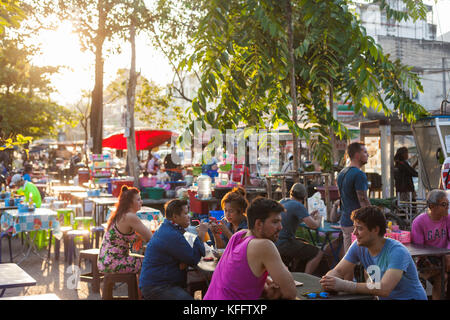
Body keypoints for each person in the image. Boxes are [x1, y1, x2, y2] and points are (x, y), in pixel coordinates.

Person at [320, 205, 427, 300]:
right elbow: (338, 271)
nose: (354, 233)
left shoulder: (397, 251)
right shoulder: (358, 246)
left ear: (375, 230)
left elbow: (384, 289)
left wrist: (344, 285)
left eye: (360, 228)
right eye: (354, 228)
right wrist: (329, 281)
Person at [204, 197, 297, 300]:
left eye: (280, 222)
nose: (280, 227)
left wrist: (264, 287)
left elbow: (238, 279)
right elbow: (290, 292)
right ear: (258, 224)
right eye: (275, 222)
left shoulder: (239, 235)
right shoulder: (264, 245)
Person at [139, 199, 209, 300]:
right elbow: (194, 259)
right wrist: (201, 234)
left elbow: (192, 252)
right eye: (185, 213)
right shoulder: (171, 234)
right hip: (158, 287)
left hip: (162, 282)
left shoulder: (171, 228)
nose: (189, 216)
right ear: (175, 217)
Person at [97, 186, 152, 274]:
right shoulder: (130, 216)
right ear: (130, 203)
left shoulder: (120, 214)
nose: (141, 202)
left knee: (145, 261)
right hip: (113, 263)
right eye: (138, 200)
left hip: (105, 261)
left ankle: (137, 287)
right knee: (152, 263)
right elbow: (150, 237)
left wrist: (138, 238)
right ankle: (144, 288)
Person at [275, 183, 324, 274]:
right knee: (318, 253)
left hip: (274, 241)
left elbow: (290, 219)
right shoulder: (298, 205)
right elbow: (314, 226)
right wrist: (319, 219)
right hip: (284, 243)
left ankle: (296, 272)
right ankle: (307, 279)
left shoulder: (283, 201)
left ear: (291, 193)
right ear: (304, 196)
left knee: (303, 243)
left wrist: (308, 216)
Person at [411, 189, 450, 300]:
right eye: (444, 204)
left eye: (448, 204)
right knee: (442, 277)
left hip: (444, 255)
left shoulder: (447, 218)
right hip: (426, 257)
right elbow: (419, 249)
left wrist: (447, 254)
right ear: (432, 206)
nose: (447, 207)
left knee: (443, 276)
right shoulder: (419, 222)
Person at [337, 142, 370, 253]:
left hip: (345, 221)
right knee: (361, 258)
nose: (368, 155)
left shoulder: (342, 173)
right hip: (357, 224)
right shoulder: (359, 174)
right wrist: (373, 216)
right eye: (365, 152)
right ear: (357, 155)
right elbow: (363, 199)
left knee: (349, 257)